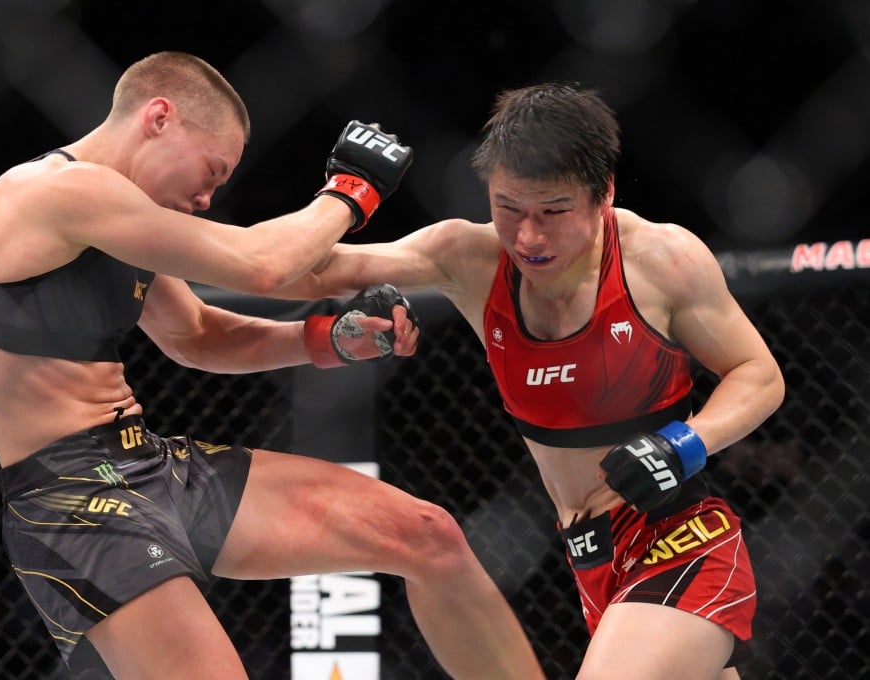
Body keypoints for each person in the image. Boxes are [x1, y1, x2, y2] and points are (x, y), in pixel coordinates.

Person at [0, 51, 545, 679]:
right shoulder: (56, 191)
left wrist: (329, 339)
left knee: (429, 537)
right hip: (76, 498)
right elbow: (259, 264)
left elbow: (197, 335)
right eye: (212, 171)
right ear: (160, 117)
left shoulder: (118, 218)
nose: (209, 198)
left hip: (146, 464)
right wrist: (351, 191)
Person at [275, 82, 786, 679]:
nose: (528, 238)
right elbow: (293, 271)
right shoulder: (469, 257)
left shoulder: (660, 261)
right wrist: (347, 194)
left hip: (681, 537)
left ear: (604, 195)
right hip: (588, 555)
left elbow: (759, 374)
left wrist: (685, 443)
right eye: (509, 208)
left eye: (554, 212)